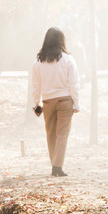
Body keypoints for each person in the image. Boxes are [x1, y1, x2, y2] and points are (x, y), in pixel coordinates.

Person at [31, 27, 80, 177]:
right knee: (62, 134)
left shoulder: (38, 61)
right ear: (62, 41)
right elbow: (73, 83)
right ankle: (57, 167)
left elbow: (35, 85)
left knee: (50, 134)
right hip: (65, 100)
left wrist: (36, 103)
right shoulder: (67, 59)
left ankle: (54, 163)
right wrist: (76, 102)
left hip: (47, 102)